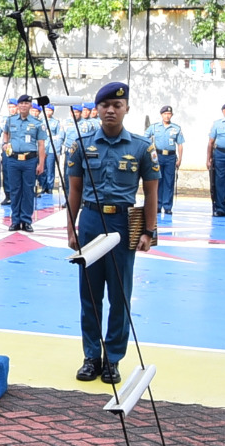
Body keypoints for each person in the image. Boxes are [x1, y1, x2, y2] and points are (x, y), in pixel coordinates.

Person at [64, 82, 159, 385]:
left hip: (125, 222)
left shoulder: (142, 148)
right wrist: (71, 228)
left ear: (126, 108)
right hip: (90, 221)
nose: (110, 110)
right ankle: (91, 357)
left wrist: (149, 231)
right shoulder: (80, 144)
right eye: (105, 105)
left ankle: (113, 360)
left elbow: (151, 193)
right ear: (97, 108)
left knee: (120, 296)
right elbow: (74, 189)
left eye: (117, 105)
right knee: (90, 294)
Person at [0, 95, 46, 231]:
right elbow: (6, 133)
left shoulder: (37, 123)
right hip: (13, 160)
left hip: (30, 161)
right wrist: (6, 143)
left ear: (30, 105)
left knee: (28, 190)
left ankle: (26, 220)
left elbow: (41, 144)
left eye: (26, 103)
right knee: (14, 190)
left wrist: (41, 163)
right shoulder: (10, 120)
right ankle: (15, 220)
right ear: (18, 106)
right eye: (21, 103)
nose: (24, 106)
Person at [144, 106, 183, 215]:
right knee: (158, 181)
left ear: (171, 115)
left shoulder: (176, 128)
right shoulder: (155, 127)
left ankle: (167, 206)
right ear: (161, 115)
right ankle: (157, 204)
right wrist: (149, 152)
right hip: (158, 156)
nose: (167, 116)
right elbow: (145, 138)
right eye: (165, 114)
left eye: (169, 114)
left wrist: (180, 158)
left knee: (169, 182)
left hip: (171, 157)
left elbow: (180, 144)